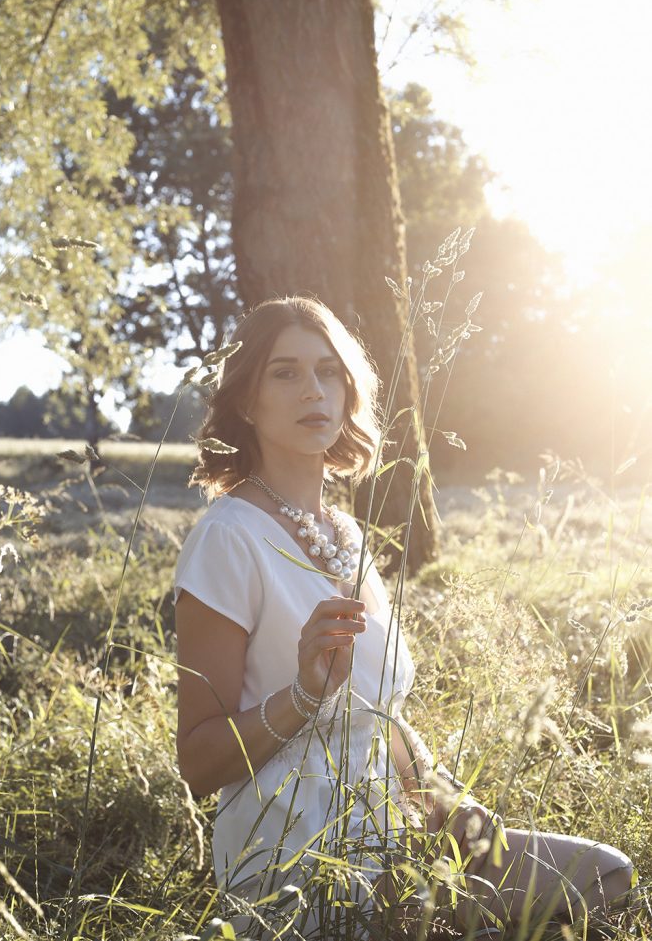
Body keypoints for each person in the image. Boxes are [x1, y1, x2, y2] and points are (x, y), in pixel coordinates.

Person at [173, 295, 637, 939]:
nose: (313, 389)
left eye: (328, 371)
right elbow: (197, 761)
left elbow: (379, 719)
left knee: (605, 877)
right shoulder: (228, 536)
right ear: (247, 400)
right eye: (285, 372)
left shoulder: (346, 535)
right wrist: (305, 694)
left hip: (396, 824)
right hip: (293, 847)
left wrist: (451, 804)